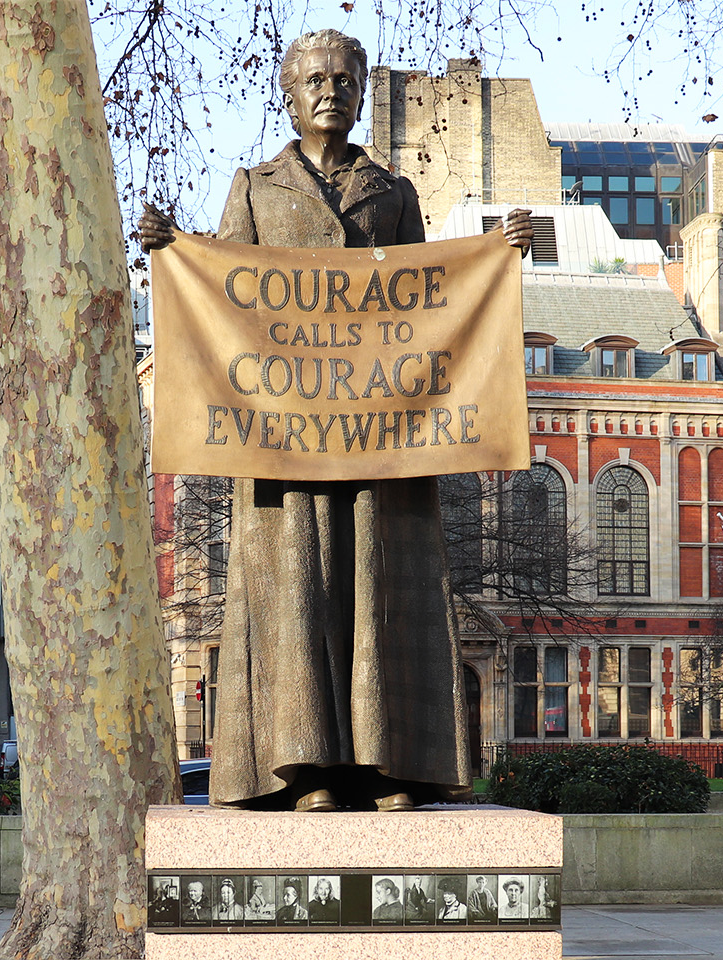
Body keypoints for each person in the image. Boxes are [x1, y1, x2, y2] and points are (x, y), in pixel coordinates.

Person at [138, 28, 532, 815]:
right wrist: (172, 247)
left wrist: (496, 253)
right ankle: (301, 770)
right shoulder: (255, 188)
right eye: (314, 78)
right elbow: (223, 291)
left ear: (359, 91)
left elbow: (431, 304)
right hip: (283, 448)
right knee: (298, 598)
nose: (330, 90)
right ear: (289, 94)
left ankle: (391, 769)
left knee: (385, 592)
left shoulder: (394, 194)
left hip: (382, 445)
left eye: (344, 78)